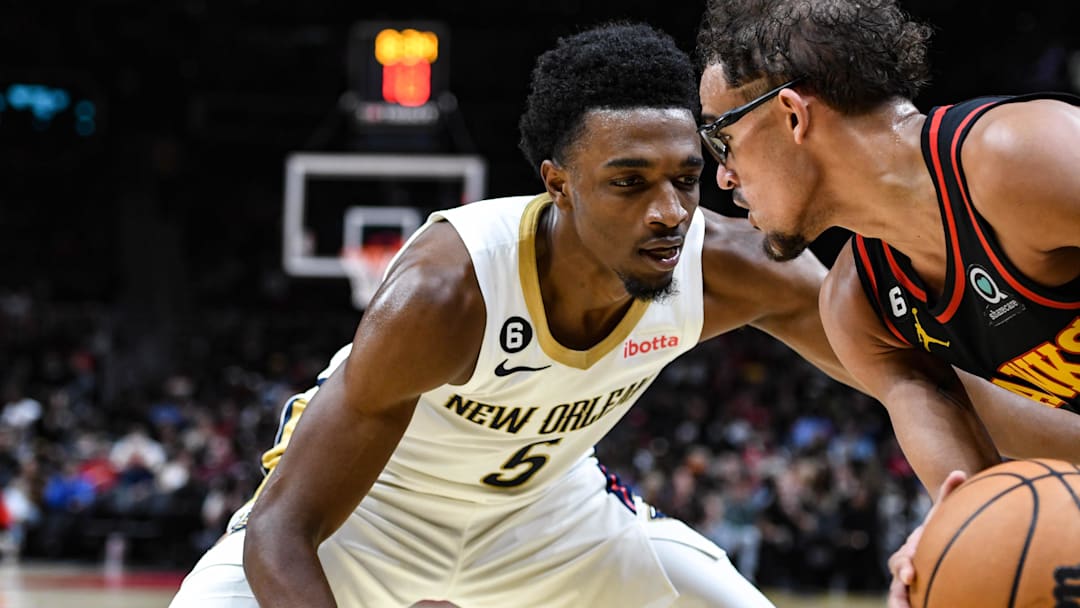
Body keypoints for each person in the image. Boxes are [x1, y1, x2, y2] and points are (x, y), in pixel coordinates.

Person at [170, 22, 855, 608]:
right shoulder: (447, 291)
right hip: (368, 520)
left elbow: (902, 369)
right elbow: (281, 527)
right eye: (629, 181)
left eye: (684, 177)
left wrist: (960, 488)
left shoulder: (727, 267)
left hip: (549, 519)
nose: (670, 212)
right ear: (558, 183)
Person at [694, 1, 1080, 606]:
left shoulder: (1023, 158)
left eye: (722, 138)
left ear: (792, 115)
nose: (722, 176)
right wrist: (953, 555)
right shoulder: (860, 308)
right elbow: (978, 496)